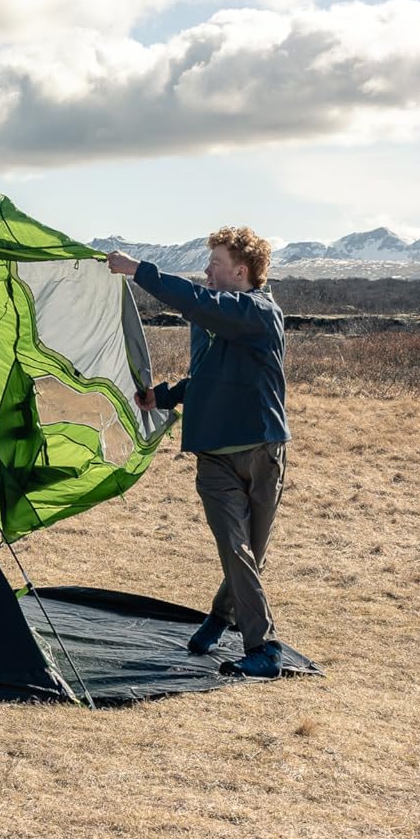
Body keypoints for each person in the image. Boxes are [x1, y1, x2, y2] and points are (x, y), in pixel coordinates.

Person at [105, 227, 294, 677]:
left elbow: (199, 302)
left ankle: (220, 616)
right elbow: (209, 375)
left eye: (215, 264)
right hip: (214, 456)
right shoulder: (212, 317)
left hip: (262, 452)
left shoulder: (258, 313)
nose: (207, 271)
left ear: (241, 271)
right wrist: (166, 396)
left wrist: (139, 271)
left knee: (251, 553)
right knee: (235, 548)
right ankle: (264, 648)